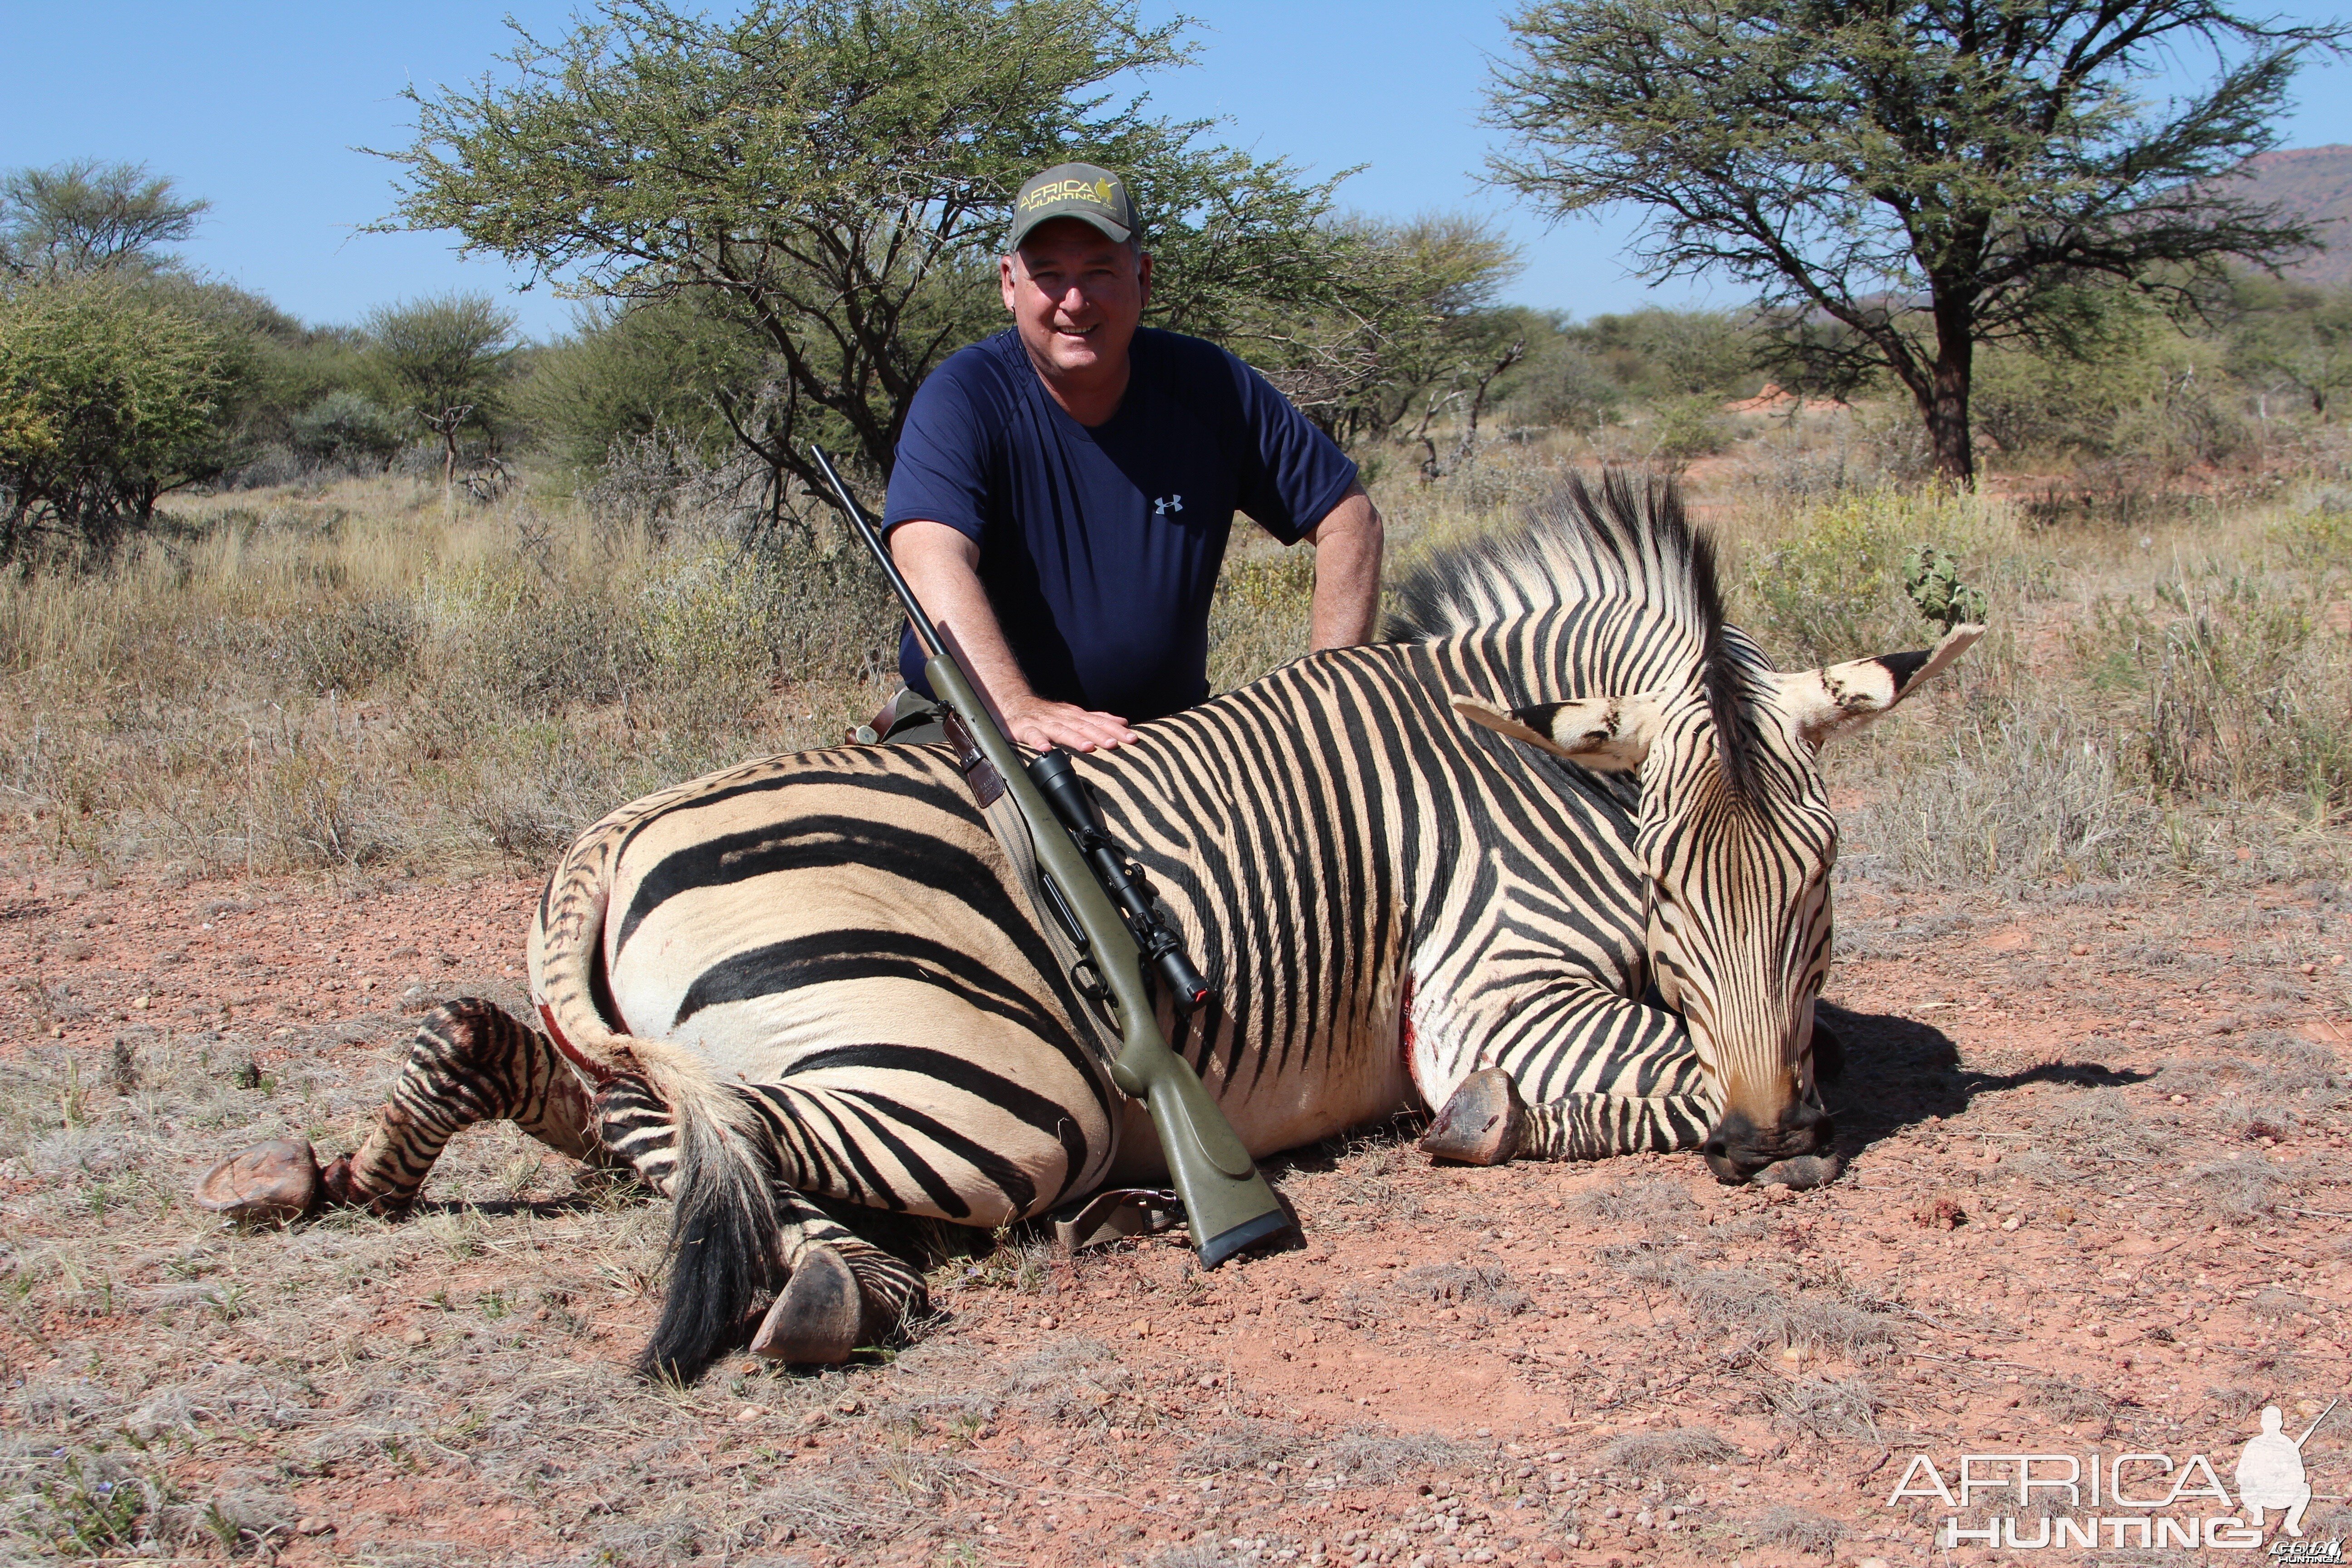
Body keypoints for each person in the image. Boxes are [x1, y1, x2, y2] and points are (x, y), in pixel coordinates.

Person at [879, 162, 1383, 752]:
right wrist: (1015, 707)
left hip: (1161, 743)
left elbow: (1352, 521)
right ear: (1009, 284)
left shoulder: (1211, 385)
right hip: (981, 727)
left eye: (1099, 272)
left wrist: (1327, 696)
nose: (1074, 300)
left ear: (1143, 278)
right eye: (1048, 274)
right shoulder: (965, 392)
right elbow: (925, 555)